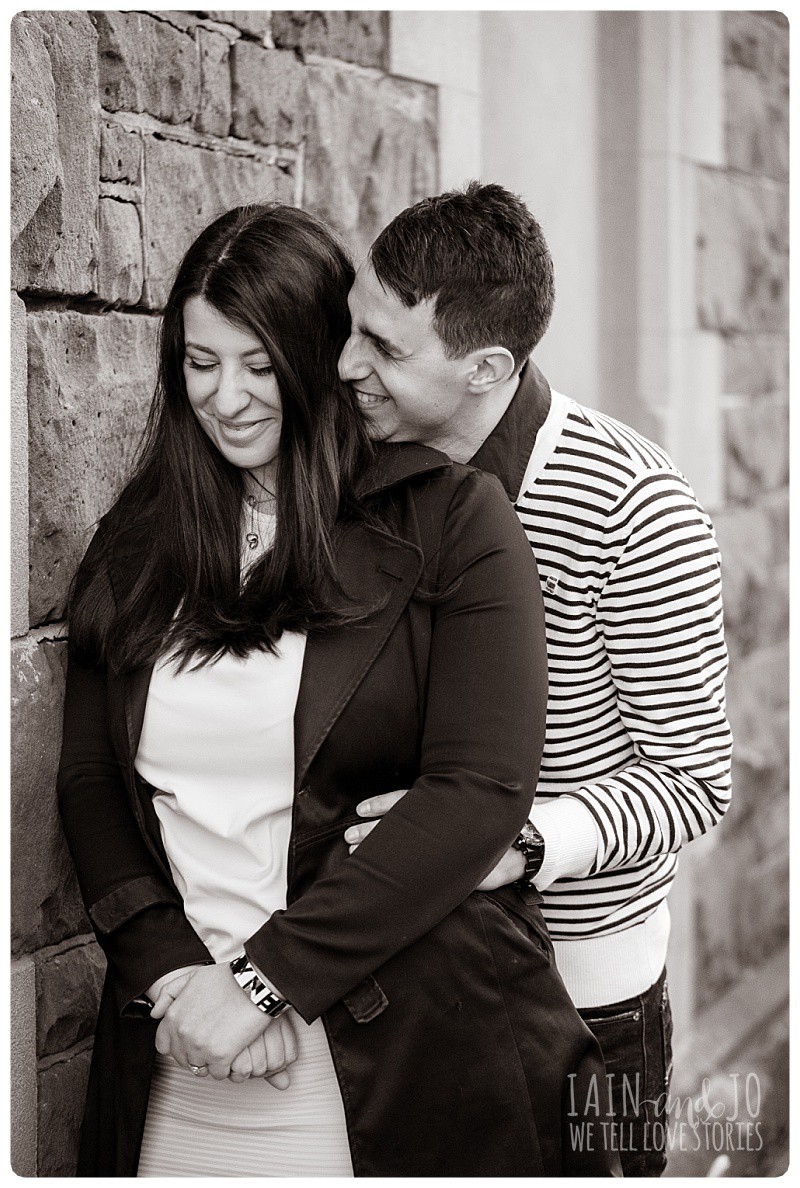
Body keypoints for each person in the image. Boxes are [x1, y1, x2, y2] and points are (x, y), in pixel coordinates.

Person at [57, 203, 619, 1178]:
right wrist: (179, 974)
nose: (225, 398)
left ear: (328, 356)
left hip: (416, 1060)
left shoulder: (452, 521)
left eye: (259, 364)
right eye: (199, 363)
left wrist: (267, 983)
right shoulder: (140, 541)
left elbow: (476, 792)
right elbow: (91, 785)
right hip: (186, 1055)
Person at [339, 181, 733, 1177]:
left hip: (586, 1008)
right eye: (354, 329)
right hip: (379, 983)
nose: (346, 367)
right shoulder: (348, 463)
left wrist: (507, 844)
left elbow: (689, 780)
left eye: (385, 350)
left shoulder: (633, 507)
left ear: (487, 368)